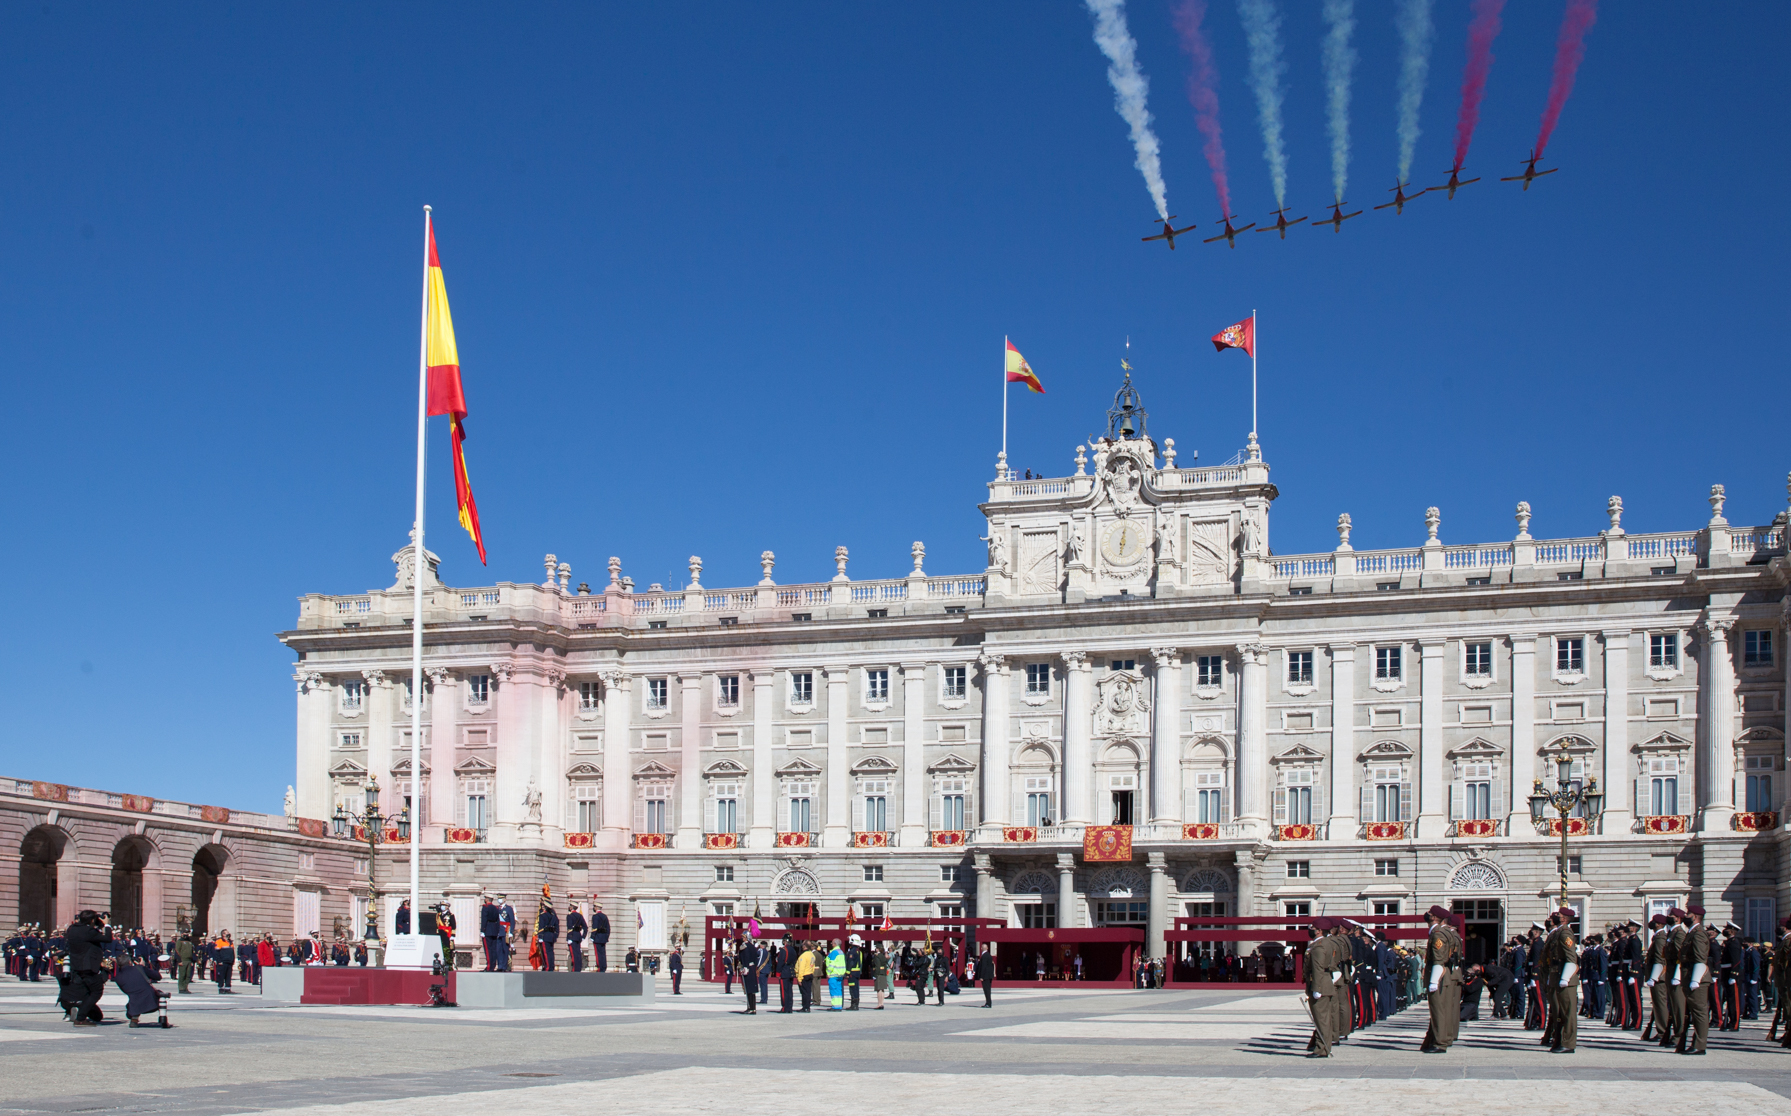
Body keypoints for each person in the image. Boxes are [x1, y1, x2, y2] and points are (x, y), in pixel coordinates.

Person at [1419, 906, 1462, 1053]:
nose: (1427, 915)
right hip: (1445, 975)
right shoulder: (1444, 932)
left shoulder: (1438, 933)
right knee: (1441, 1010)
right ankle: (1436, 1040)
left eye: (1430, 914)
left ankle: (1440, 1043)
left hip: (1439, 975)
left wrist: (1433, 981)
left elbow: (1439, 959)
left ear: (1434, 918)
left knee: (1438, 1011)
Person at [65, 911, 112, 1026]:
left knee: (87, 991)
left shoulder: (72, 929)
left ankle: (82, 1012)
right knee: (97, 991)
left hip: (77, 966)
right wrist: (106, 925)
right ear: (91, 920)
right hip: (88, 966)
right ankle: (80, 1018)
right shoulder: (88, 931)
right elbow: (107, 939)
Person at [1676, 906, 1710, 1054]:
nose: (1686, 916)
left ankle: (1700, 1045)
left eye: (1688, 914)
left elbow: (1701, 958)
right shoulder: (1692, 933)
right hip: (1688, 975)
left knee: (1699, 1012)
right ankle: (1691, 1043)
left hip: (1696, 977)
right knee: (1691, 1012)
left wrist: (1696, 979)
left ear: (1695, 916)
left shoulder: (1698, 934)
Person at [480, 895, 508, 972]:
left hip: (487, 930)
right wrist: (498, 930)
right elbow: (498, 920)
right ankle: (493, 965)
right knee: (493, 949)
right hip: (494, 930)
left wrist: (482, 930)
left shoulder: (485, 907)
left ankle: (489, 966)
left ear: (486, 899)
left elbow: (484, 919)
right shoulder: (496, 908)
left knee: (488, 949)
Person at [736, 934, 761, 1015]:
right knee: (752, 990)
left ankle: (750, 1007)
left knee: (748, 989)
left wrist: (745, 967)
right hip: (753, 968)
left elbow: (745, 957)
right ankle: (753, 1008)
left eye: (743, 937)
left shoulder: (745, 946)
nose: (742, 938)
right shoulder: (752, 946)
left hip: (748, 968)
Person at [535, 900, 559, 972]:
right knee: (551, 952)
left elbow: (541, 927)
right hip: (551, 936)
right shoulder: (554, 916)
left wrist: (540, 937)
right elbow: (557, 927)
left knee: (546, 952)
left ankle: (547, 967)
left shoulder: (543, 915)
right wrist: (555, 935)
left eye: (543, 906)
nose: (542, 907)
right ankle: (551, 966)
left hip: (545, 936)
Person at [795, 939, 817, 1011]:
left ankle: (805, 1007)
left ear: (804, 947)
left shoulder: (803, 956)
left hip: (804, 975)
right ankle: (807, 1006)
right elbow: (813, 966)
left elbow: (801, 967)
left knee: (804, 993)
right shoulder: (812, 955)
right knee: (808, 992)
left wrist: (799, 978)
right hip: (810, 974)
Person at [825, 938, 846, 1011]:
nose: (831, 944)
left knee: (833, 991)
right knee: (838, 991)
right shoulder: (841, 952)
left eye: (832, 943)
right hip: (840, 974)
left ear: (834, 944)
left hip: (833, 974)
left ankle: (834, 1006)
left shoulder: (834, 952)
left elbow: (832, 964)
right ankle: (839, 1006)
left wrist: (828, 972)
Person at [565, 903, 587, 972]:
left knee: (573, 954)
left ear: (571, 907)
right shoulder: (580, 916)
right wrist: (583, 937)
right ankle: (578, 968)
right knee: (578, 954)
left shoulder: (569, 916)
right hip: (578, 936)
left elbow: (569, 928)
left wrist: (569, 937)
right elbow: (585, 927)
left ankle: (575, 969)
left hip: (572, 937)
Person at [589, 904, 611, 972]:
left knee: (598, 954)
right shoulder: (604, 916)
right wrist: (606, 936)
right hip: (603, 937)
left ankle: (600, 967)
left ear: (596, 908)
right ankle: (604, 967)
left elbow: (595, 927)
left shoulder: (595, 916)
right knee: (603, 953)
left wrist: (592, 936)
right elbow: (608, 928)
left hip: (597, 937)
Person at [976, 943, 996, 1008]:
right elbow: (992, 965)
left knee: (986, 990)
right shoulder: (989, 955)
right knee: (988, 989)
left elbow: (983, 966)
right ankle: (988, 1002)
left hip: (985, 976)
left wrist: (981, 976)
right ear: (987, 948)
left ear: (981, 948)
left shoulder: (984, 956)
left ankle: (988, 1003)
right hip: (989, 975)